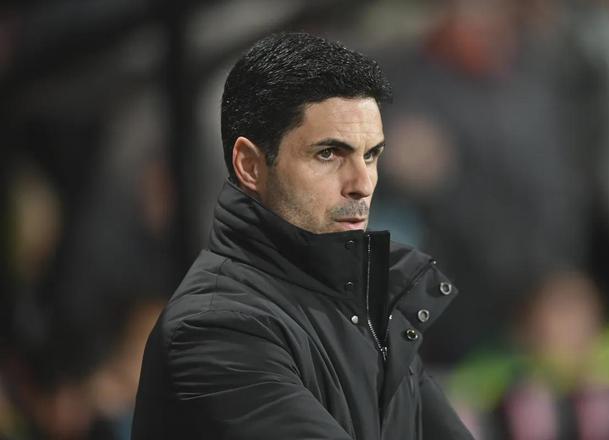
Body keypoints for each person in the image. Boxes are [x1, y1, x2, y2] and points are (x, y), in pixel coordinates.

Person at [131, 32, 472, 440]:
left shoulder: (371, 313)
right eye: (329, 154)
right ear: (249, 165)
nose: (362, 184)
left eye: (370, 155)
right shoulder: (213, 327)